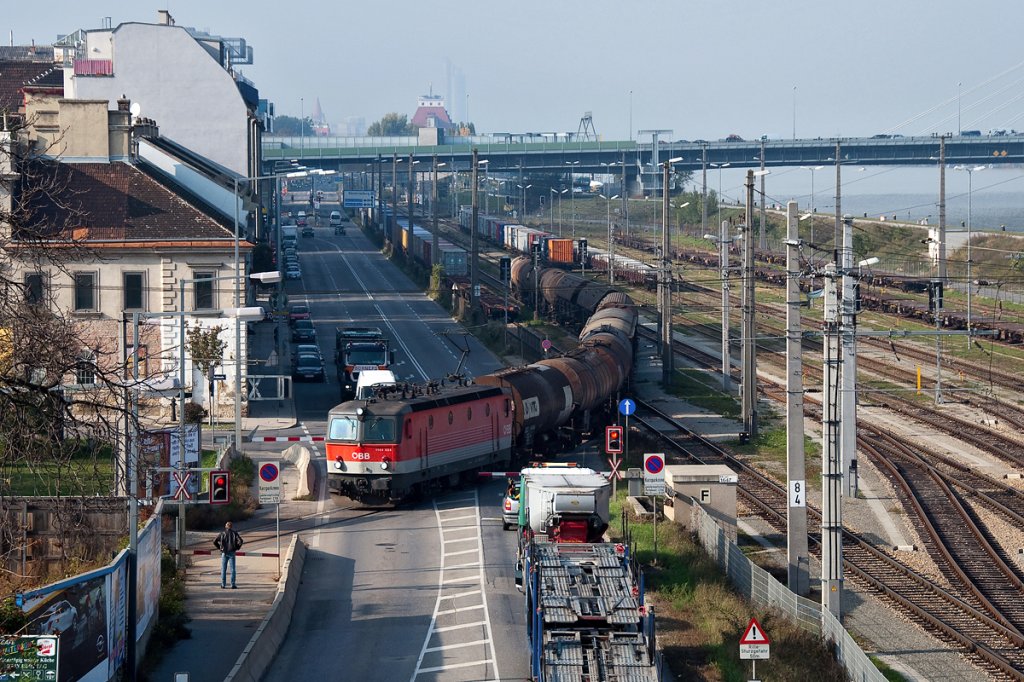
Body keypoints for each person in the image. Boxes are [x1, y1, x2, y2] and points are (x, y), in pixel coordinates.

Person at [213, 521, 243, 589]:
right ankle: (233, 584)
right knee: (233, 569)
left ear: (225, 526)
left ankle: (223, 584)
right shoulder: (234, 533)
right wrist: (237, 547)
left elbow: (214, 541)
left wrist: (220, 548)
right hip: (232, 552)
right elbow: (241, 541)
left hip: (224, 553)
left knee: (223, 569)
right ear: (231, 526)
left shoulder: (222, 533)